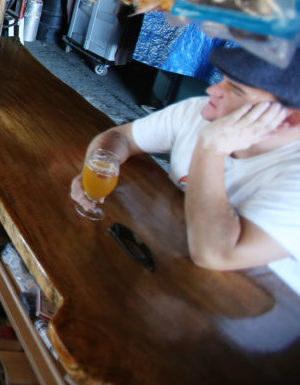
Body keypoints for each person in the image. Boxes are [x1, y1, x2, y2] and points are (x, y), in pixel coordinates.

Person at [69, 46, 300, 294]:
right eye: (222, 80)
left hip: (254, 302)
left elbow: (215, 254)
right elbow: (119, 137)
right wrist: (100, 166)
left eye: (236, 89)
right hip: (171, 255)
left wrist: (210, 148)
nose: (213, 89)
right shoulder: (196, 112)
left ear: (290, 119)